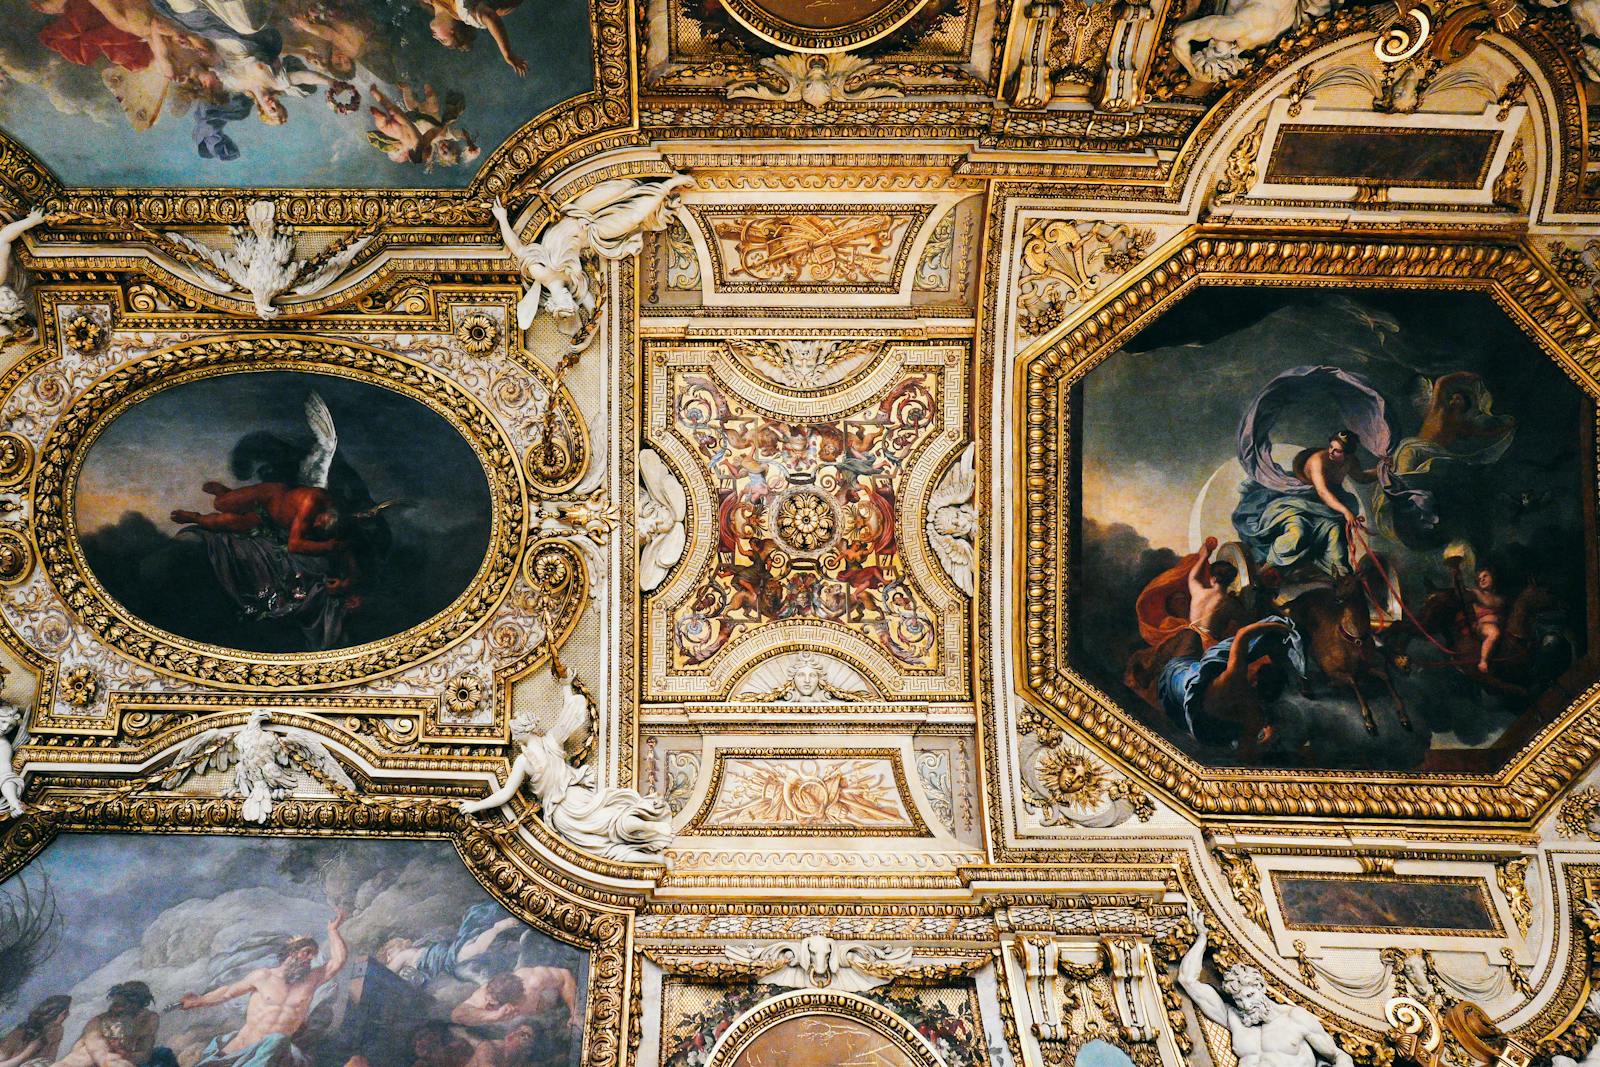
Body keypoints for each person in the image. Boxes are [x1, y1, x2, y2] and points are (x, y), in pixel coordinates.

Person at [1179, 909, 1353, 1067]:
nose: (1246, 1005)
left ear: (1261, 987)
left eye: (1249, 995)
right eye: (1239, 1000)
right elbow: (1187, 980)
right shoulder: (1234, 1018)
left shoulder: (1296, 1018)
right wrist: (1202, 938)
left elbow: (1338, 1055)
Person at [177, 911, 347, 1067]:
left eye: (313, 955)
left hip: (271, 1054)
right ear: (292, 953)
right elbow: (227, 992)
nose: (310, 958)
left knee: (277, 1040)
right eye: (307, 952)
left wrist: (332, 930)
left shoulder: (311, 980)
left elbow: (338, 961)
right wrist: (199, 1000)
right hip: (241, 1048)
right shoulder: (263, 976)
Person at [1234, 430, 1378, 581]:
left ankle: (1341, 578)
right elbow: (1322, 492)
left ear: (1347, 454)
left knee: (1335, 534)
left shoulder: (1350, 462)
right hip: (1295, 504)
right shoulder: (1318, 460)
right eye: (1331, 447)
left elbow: (1362, 477)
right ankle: (1266, 569)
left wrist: (1382, 470)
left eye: (1337, 451)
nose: (1331, 452)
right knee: (1298, 533)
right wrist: (1345, 511)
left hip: (1323, 511)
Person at [1157, 618, 1303, 759]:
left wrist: (1279, 626)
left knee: (1191, 633)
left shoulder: (1234, 680)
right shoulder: (1254, 715)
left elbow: (1243, 634)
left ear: (1255, 681)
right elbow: (1246, 754)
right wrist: (1267, 739)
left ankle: (1153, 665)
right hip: (1198, 723)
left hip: (1173, 678)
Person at [50, 983, 170, 1067]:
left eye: (123, 1004)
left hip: (119, 1061)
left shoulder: (148, 1018)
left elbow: (144, 1054)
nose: (117, 1008)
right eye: (117, 1004)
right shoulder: (97, 1023)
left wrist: (126, 1054)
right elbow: (102, 1056)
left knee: (164, 1055)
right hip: (85, 1064)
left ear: (138, 1005)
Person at [451, 967, 579, 1029]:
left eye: (493, 1004)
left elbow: (565, 975)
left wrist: (574, 1011)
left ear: (512, 1003)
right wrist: (493, 1016)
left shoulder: (533, 981)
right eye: (488, 1000)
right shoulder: (484, 996)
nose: (486, 1005)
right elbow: (456, 1015)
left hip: (544, 1008)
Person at [1, 996, 70, 1064]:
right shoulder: (21, 1031)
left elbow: (49, 1060)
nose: (69, 1015)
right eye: (66, 1012)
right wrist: (26, 1054)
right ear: (62, 1013)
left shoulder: (56, 1031)